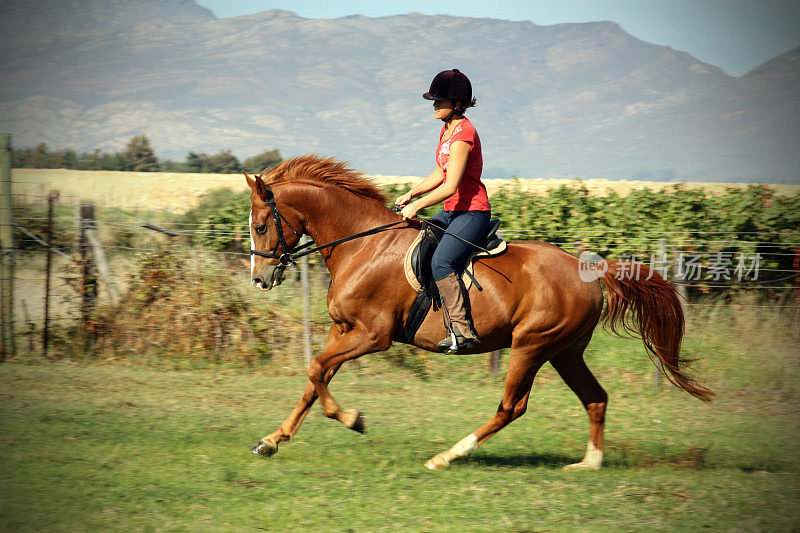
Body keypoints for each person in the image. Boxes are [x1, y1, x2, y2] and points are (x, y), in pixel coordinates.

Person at [395, 68, 491, 353]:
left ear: (458, 104)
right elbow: (439, 173)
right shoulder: (446, 130)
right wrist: (412, 192)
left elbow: (450, 186)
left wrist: (418, 205)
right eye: (434, 100)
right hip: (452, 212)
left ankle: (462, 332)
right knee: (420, 242)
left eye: (440, 101)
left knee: (441, 262)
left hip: (472, 212)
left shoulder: (464, 134)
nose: (434, 105)